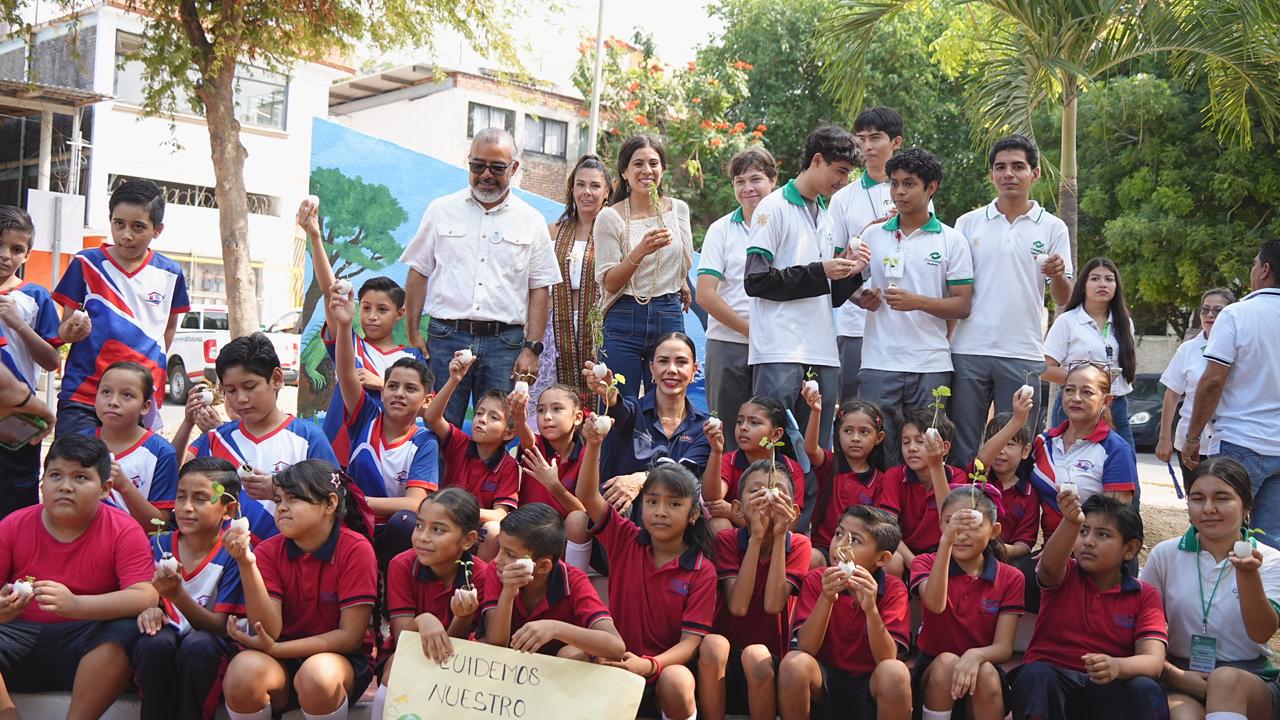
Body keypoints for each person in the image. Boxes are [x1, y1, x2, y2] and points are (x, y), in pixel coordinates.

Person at [399, 128, 561, 426]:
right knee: (439, 427)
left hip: (505, 345)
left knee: (498, 430)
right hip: (446, 338)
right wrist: (412, 331)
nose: (486, 174)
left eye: (497, 167)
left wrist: (533, 348)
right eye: (478, 165)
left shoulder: (531, 220)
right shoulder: (441, 210)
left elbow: (540, 289)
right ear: (469, 163)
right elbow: (419, 271)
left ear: (514, 168)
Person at [0, 435, 158, 719]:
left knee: (127, 628)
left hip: (90, 643)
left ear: (105, 489)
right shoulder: (13, 525)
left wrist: (76, 605)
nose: (65, 487)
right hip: (19, 639)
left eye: (80, 478)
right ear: (42, 482)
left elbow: (145, 595)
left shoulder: (124, 530)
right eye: (56, 475)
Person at [575, 419, 717, 720]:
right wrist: (593, 445)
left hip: (663, 669)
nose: (660, 512)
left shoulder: (702, 570)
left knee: (677, 681)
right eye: (652, 502)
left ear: (693, 515)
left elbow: (690, 643)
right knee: (570, 656)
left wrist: (650, 665)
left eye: (674, 505)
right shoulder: (625, 538)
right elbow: (588, 498)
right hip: (616, 660)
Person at [744, 124, 871, 449]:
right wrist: (821, 270)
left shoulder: (826, 217)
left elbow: (825, 295)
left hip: (823, 352)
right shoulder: (771, 209)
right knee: (770, 448)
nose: (843, 181)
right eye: (840, 170)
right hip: (779, 349)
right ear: (817, 160)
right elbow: (755, 280)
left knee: (817, 454)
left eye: (847, 174)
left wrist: (853, 272)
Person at [949, 134, 1073, 466]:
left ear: (1034, 174)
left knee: (1015, 450)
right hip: (968, 350)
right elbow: (954, 290)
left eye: (1018, 167)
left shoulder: (1053, 227)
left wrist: (1059, 274)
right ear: (991, 174)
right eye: (1000, 167)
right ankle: (961, 514)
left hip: (1022, 353)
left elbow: (1064, 297)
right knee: (963, 445)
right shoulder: (967, 223)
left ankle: (1008, 516)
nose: (1009, 174)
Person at [220, 460, 377, 720]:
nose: (281, 507)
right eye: (278, 499)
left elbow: (350, 637)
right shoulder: (269, 550)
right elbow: (269, 630)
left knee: (318, 676)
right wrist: (247, 564)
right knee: (241, 674)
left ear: (330, 504)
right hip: (281, 660)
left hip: (338, 660)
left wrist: (277, 649)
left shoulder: (355, 549)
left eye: (293, 499)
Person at [1141, 457, 1280, 720]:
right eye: (1197, 498)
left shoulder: (1270, 559)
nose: (1208, 508)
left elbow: (1261, 632)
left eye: (1222, 498)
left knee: (1225, 680)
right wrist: (1175, 675)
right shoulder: (1165, 555)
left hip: (1247, 678)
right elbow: (1140, 627)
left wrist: (1247, 574)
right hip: (1181, 675)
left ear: (1246, 506)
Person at [857, 149, 974, 459]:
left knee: (927, 450)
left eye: (909, 184)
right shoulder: (872, 235)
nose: (899, 192)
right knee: (878, 453)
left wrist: (917, 302)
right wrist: (862, 298)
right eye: (894, 184)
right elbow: (850, 284)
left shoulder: (951, 240)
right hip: (878, 361)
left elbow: (962, 305)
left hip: (930, 363)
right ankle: (880, 509)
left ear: (931, 187)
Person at [1010, 493, 1169, 720]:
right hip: (1054, 685)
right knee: (1035, 674)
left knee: (1145, 688)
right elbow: (1048, 567)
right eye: (1083, 532)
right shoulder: (1064, 575)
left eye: (1102, 534)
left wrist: (1117, 666)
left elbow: (1153, 661)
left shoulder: (1144, 594)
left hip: (1110, 687)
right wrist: (1071, 521)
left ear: (1130, 549)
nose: (1088, 541)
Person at [52, 179, 191, 437]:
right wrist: (70, 331)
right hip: (85, 391)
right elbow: (65, 327)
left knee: (130, 473)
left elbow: (169, 326)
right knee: (74, 467)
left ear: (157, 230)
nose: (126, 235)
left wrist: (149, 363)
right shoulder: (86, 262)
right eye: (119, 224)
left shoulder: (170, 273)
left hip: (139, 395)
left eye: (138, 227)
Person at [300, 197, 425, 467]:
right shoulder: (348, 342)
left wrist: (381, 383)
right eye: (365, 307)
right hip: (340, 451)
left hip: (391, 456)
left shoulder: (414, 358)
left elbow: (426, 405)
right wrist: (314, 236)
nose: (371, 316)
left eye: (382, 309)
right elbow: (328, 290)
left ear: (400, 313)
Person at [186, 334, 339, 541]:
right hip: (226, 563)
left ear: (276, 379)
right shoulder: (216, 439)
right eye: (231, 390)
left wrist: (278, 489)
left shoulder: (309, 438)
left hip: (289, 559)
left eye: (250, 387)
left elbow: (334, 499)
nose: (241, 399)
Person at [327, 281, 438, 565]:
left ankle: (390, 587)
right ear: (382, 389)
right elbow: (346, 373)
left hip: (388, 529)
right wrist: (343, 326)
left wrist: (354, 500)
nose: (399, 394)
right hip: (353, 523)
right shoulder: (364, 416)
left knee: (405, 521)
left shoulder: (424, 441)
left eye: (410, 389)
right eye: (393, 386)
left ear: (427, 400)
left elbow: (414, 505)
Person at [131, 458, 245, 720]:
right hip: (164, 643)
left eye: (201, 499)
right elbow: (137, 596)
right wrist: (149, 609)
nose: (186, 507)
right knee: (153, 643)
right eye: (181, 497)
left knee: (199, 645)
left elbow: (219, 626)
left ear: (228, 510)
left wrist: (177, 596)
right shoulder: (155, 545)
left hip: (209, 647)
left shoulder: (234, 553)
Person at [697, 461, 810, 720]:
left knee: (755, 653)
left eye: (777, 491)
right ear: (737, 508)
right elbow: (737, 606)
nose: (768, 497)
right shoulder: (727, 540)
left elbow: (773, 605)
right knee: (713, 644)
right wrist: (756, 538)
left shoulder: (799, 545)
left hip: (767, 663)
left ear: (793, 511)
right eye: (756, 491)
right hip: (721, 661)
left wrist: (780, 535)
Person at [777, 505, 912, 720]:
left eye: (855, 540)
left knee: (895, 672)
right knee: (794, 663)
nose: (840, 546)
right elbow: (805, 647)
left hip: (870, 686)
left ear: (882, 559)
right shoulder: (817, 579)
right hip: (825, 680)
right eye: (838, 534)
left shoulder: (894, 589)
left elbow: (887, 658)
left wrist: (871, 609)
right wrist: (827, 597)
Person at [1185, 239, 1280, 545]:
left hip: (1239, 443)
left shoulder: (1237, 314)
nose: (1253, 270)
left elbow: (1213, 381)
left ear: (1265, 270)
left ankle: (1221, 594)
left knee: (1220, 536)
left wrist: (1192, 437)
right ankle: (1265, 594)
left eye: (1254, 264)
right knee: (1270, 544)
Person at [370, 488, 489, 718]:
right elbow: (402, 636)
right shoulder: (402, 565)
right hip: (409, 651)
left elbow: (464, 647)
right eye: (419, 525)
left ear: (468, 540)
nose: (423, 537)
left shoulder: (481, 574)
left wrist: (462, 618)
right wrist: (423, 620)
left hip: (460, 660)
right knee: (397, 666)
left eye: (437, 530)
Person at [593, 135, 694, 399]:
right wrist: (641, 250)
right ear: (624, 172)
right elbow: (610, 282)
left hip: (668, 312)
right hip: (622, 315)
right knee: (617, 402)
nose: (646, 171)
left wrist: (680, 282)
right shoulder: (610, 217)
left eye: (654, 163)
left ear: (663, 169)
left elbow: (682, 261)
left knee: (667, 401)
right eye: (638, 164)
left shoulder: (678, 210)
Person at [910, 486, 1024, 720]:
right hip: (933, 670)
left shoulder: (1010, 577)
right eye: (952, 524)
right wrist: (945, 544)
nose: (960, 534)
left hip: (983, 669)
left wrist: (974, 656)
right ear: (941, 525)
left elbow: (1003, 648)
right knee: (947, 663)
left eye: (971, 525)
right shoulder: (924, 562)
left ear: (994, 531)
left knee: (986, 673)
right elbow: (935, 604)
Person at [584, 333, 721, 520]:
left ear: (695, 370)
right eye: (663, 361)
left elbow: (683, 472)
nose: (672, 370)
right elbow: (619, 409)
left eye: (681, 362)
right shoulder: (634, 412)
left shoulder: (703, 428)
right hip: (623, 518)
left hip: (675, 522)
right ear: (652, 368)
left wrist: (642, 478)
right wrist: (608, 394)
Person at [697, 147, 778, 440]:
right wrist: (748, 329)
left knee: (769, 434)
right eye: (739, 181)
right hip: (727, 344)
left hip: (776, 347)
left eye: (755, 179)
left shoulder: (787, 224)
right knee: (727, 432)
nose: (748, 188)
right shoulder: (721, 230)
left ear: (773, 181)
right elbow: (705, 294)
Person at [829, 106, 907, 403]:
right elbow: (835, 264)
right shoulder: (842, 199)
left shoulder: (915, 191)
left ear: (896, 142)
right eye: (860, 138)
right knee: (853, 410)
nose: (867, 146)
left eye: (875, 138)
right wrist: (857, 296)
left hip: (903, 324)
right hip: (855, 323)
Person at [478, 503, 624, 659]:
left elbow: (616, 647)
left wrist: (555, 629)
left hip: (559, 673)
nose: (498, 559)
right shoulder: (498, 569)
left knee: (571, 654)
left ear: (542, 566)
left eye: (510, 554)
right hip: (511, 667)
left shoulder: (573, 581)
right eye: (500, 548)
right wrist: (507, 593)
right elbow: (496, 644)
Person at [422, 350, 520, 559]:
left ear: (509, 432)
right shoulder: (459, 442)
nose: (482, 420)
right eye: (479, 413)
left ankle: (478, 582)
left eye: (493, 417)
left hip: (473, 529)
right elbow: (431, 417)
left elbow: (500, 514)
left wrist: (460, 511)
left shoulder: (508, 465)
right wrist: (454, 380)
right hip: (444, 522)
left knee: (493, 530)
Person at [531, 155, 611, 406]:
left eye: (595, 186)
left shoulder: (615, 232)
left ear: (607, 191)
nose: (587, 192)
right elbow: (535, 282)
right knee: (552, 399)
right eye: (580, 184)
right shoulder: (552, 231)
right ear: (572, 189)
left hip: (599, 327)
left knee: (597, 395)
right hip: (554, 327)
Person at [0, 205, 61, 514]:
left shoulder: (35, 297)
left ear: (27, 254)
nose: (5, 255)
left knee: (16, 502)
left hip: (19, 418)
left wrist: (18, 324)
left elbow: (52, 361)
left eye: (16, 248)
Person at [1029, 362, 1138, 533]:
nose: (1076, 398)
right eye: (1069, 390)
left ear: (1106, 400)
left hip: (1090, 552)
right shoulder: (1044, 441)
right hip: (1049, 551)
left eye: (1087, 392)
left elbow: (1115, 519)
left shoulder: (1116, 449)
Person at [1043, 257, 1138, 447]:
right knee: (1069, 467)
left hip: (1116, 405)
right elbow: (1044, 369)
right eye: (1095, 279)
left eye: (1109, 279)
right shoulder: (1068, 321)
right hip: (1075, 404)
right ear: (1083, 285)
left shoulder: (1125, 323)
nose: (1102, 284)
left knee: (1124, 466)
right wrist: (1086, 380)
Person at [1156, 288, 1236, 485]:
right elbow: (1172, 394)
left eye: (1218, 310)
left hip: (1229, 441)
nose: (1210, 315)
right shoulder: (1188, 349)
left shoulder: (1241, 346)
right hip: (1192, 443)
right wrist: (1164, 438)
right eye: (1205, 309)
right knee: (1196, 501)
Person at [804, 394, 891, 558]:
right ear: (837, 434)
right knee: (810, 558)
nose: (855, 438)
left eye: (864, 432)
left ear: (878, 438)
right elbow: (810, 449)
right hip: (824, 547)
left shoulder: (881, 480)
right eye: (848, 431)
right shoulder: (829, 465)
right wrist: (816, 411)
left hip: (861, 552)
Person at [705, 395, 807, 534]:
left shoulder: (792, 468)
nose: (743, 428)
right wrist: (716, 452)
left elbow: (789, 525)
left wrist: (731, 511)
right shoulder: (729, 460)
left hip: (775, 540)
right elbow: (712, 501)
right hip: (738, 536)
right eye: (739, 421)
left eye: (754, 423)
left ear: (776, 434)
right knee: (718, 523)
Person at [94, 361, 178, 528]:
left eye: (127, 395)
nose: (113, 401)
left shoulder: (161, 452)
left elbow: (159, 524)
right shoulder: (77, 442)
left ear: (145, 407)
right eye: (106, 392)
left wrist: (124, 485)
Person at [886, 408, 967, 576]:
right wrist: (914, 563)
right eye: (906, 442)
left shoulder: (958, 476)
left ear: (944, 447)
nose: (912, 448)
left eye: (921, 441)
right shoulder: (894, 476)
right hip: (905, 551)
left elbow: (951, 522)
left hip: (944, 551)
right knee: (891, 560)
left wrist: (936, 466)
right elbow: (888, 528)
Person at [974, 396, 1041, 566]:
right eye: (996, 443)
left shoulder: (1029, 493)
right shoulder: (978, 477)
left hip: (1007, 559)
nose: (1000, 451)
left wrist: (998, 548)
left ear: (1025, 451)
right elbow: (982, 460)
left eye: (1009, 444)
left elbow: (1025, 544)